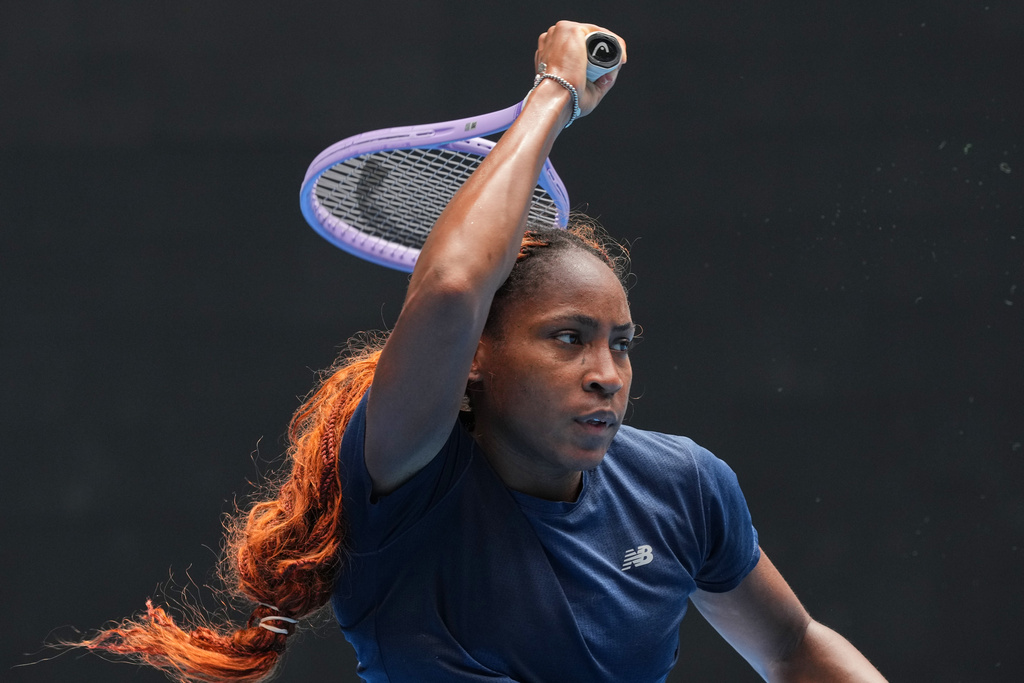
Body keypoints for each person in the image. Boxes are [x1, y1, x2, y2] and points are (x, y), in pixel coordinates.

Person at [68, 20, 886, 683]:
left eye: (621, 344)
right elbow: (456, 284)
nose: (606, 374)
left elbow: (793, 648)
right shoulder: (403, 484)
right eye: (568, 338)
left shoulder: (683, 486)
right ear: (474, 355)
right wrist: (554, 95)